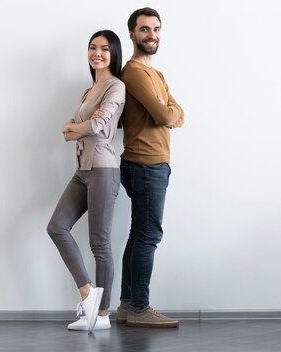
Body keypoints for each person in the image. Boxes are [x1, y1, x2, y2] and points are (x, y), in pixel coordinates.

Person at [47, 29, 125, 332]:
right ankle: (88, 294)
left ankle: (102, 314)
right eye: (93, 48)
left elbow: (97, 126)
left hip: (104, 169)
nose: (98, 54)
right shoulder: (88, 90)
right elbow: (71, 130)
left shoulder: (116, 87)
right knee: (57, 227)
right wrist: (77, 128)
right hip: (83, 170)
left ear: (114, 54)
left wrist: (75, 127)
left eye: (105, 49)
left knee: (100, 244)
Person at [115, 7, 184, 328]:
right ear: (132, 34)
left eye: (156, 29)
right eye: (144, 29)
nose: (151, 35)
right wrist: (170, 111)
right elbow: (165, 116)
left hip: (153, 164)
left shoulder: (157, 74)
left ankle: (127, 306)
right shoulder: (133, 73)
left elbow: (178, 112)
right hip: (145, 164)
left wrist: (171, 111)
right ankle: (140, 308)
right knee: (148, 236)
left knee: (138, 234)